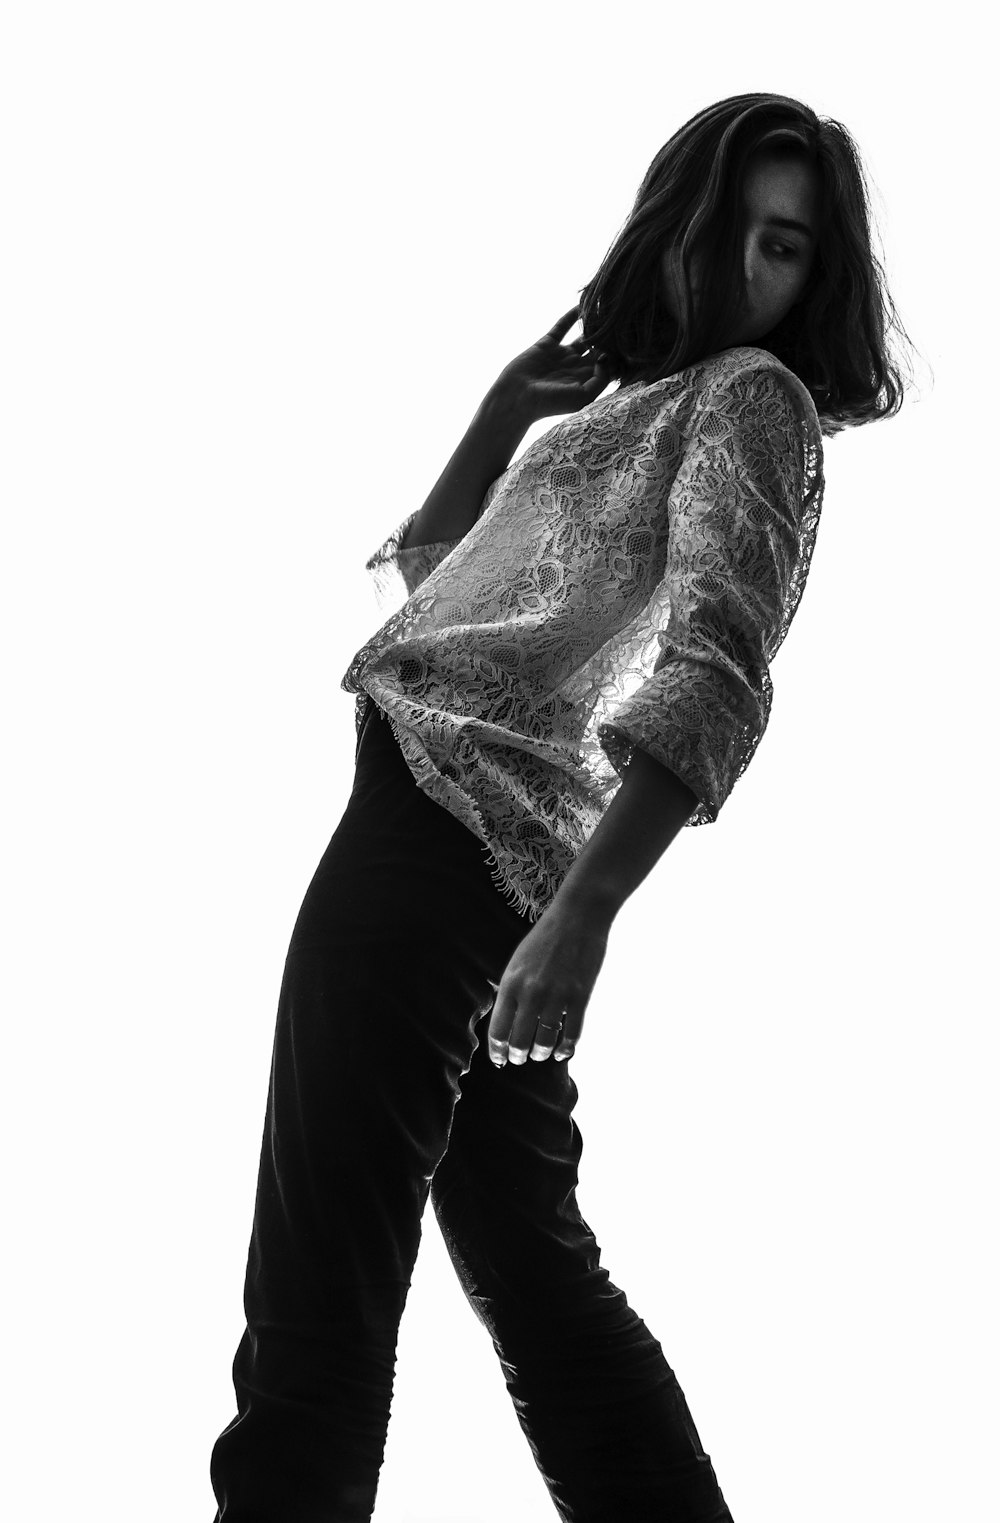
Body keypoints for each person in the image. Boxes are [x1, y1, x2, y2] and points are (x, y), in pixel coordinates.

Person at [209, 92, 910, 1522]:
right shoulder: (637, 410)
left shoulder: (751, 403)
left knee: (316, 1308)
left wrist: (587, 916)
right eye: (732, 232)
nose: (745, 272)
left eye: (785, 250)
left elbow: (721, 656)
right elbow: (451, 598)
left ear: (811, 286)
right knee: (536, 1280)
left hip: (438, 863)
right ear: (672, 226)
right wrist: (504, 413)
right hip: (480, 870)